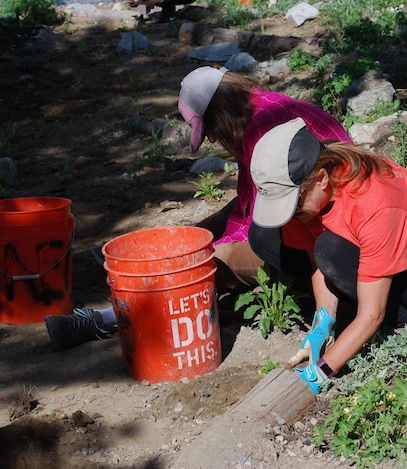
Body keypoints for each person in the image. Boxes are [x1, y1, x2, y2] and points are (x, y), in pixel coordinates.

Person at [45, 67, 353, 351]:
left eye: (209, 129)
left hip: (321, 226)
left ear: (221, 112)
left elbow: (256, 224)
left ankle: (106, 318)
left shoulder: (262, 129)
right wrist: (200, 241)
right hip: (307, 205)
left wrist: (207, 253)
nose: (213, 138)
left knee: (214, 261)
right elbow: (246, 204)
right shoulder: (263, 109)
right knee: (221, 220)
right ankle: (157, 255)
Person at [247, 118, 407, 393]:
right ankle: (347, 313)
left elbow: (371, 313)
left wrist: (320, 371)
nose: (291, 213)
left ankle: (405, 324)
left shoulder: (376, 200)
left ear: (322, 179)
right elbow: (317, 262)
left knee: (331, 248)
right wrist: (323, 320)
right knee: (265, 234)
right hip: (372, 256)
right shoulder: (307, 188)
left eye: (294, 203)